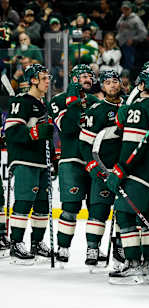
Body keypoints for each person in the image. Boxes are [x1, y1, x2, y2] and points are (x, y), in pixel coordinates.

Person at [106, 66, 149, 285]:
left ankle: (133, 264)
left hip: (140, 174)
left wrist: (120, 169)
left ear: (142, 85)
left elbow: (132, 145)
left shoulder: (138, 108)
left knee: (125, 215)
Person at [5, 64, 55, 264]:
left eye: (48, 77)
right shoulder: (21, 102)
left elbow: (46, 137)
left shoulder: (44, 105)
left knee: (43, 204)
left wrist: (52, 157)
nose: (47, 81)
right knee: (25, 201)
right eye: (44, 77)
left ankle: (37, 242)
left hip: (42, 161)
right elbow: (11, 132)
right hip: (25, 159)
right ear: (33, 80)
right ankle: (16, 243)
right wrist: (34, 133)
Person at [50, 64, 100, 265]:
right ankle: (63, 247)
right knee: (70, 207)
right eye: (84, 76)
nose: (89, 79)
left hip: (94, 160)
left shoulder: (96, 101)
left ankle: (93, 250)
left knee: (97, 208)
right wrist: (72, 100)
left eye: (90, 76)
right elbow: (69, 128)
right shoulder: (58, 100)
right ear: (74, 79)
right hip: (71, 159)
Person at [78, 70, 124, 270]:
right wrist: (91, 165)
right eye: (107, 82)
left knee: (125, 212)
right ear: (102, 87)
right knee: (99, 209)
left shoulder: (130, 108)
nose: (112, 85)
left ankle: (122, 246)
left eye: (115, 81)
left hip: (126, 169)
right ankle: (92, 247)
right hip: (104, 169)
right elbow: (84, 143)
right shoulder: (96, 110)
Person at [116, 1, 147, 71]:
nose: (125, 11)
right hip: (120, 44)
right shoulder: (121, 17)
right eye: (124, 9)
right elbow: (118, 28)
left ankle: (128, 79)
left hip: (129, 45)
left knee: (128, 64)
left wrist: (133, 39)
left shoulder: (135, 18)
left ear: (130, 9)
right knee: (121, 64)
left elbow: (144, 33)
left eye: (127, 9)